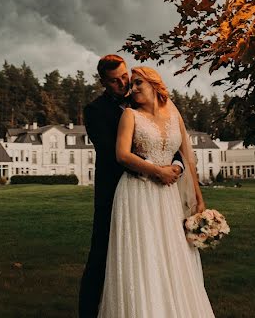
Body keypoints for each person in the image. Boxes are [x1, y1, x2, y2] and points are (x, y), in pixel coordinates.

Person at [98, 65, 214, 317]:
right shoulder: (130, 115)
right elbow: (122, 155)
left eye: (139, 82)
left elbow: (186, 158)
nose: (133, 87)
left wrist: (198, 197)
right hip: (137, 193)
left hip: (169, 196)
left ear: (154, 84)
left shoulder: (174, 116)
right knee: (144, 253)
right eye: (133, 84)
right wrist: (156, 171)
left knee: (172, 252)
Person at [78, 55, 185, 318]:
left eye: (125, 77)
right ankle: (90, 312)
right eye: (115, 81)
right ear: (103, 82)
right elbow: (110, 152)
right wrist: (155, 170)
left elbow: (167, 139)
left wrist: (176, 166)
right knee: (102, 255)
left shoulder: (144, 100)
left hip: (155, 191)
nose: (123, 83)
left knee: (153, 248)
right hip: (115, 190)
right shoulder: (95, 111)